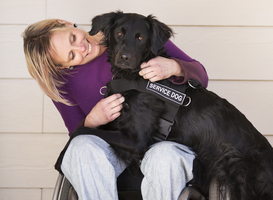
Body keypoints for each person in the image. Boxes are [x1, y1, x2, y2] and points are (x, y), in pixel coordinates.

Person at [23, 17, 208, 200]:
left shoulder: (126, 30)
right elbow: (76, 135)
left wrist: (174, 67)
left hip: (165, 139)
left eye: (73, 38)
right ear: (64, 66)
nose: (81, 48)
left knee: (164, 157)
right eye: (71, 55)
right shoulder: (63, 83)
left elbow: (202, 78)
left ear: (67, 23)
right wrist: (92, 121)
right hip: (119, 147)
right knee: (80, 147)